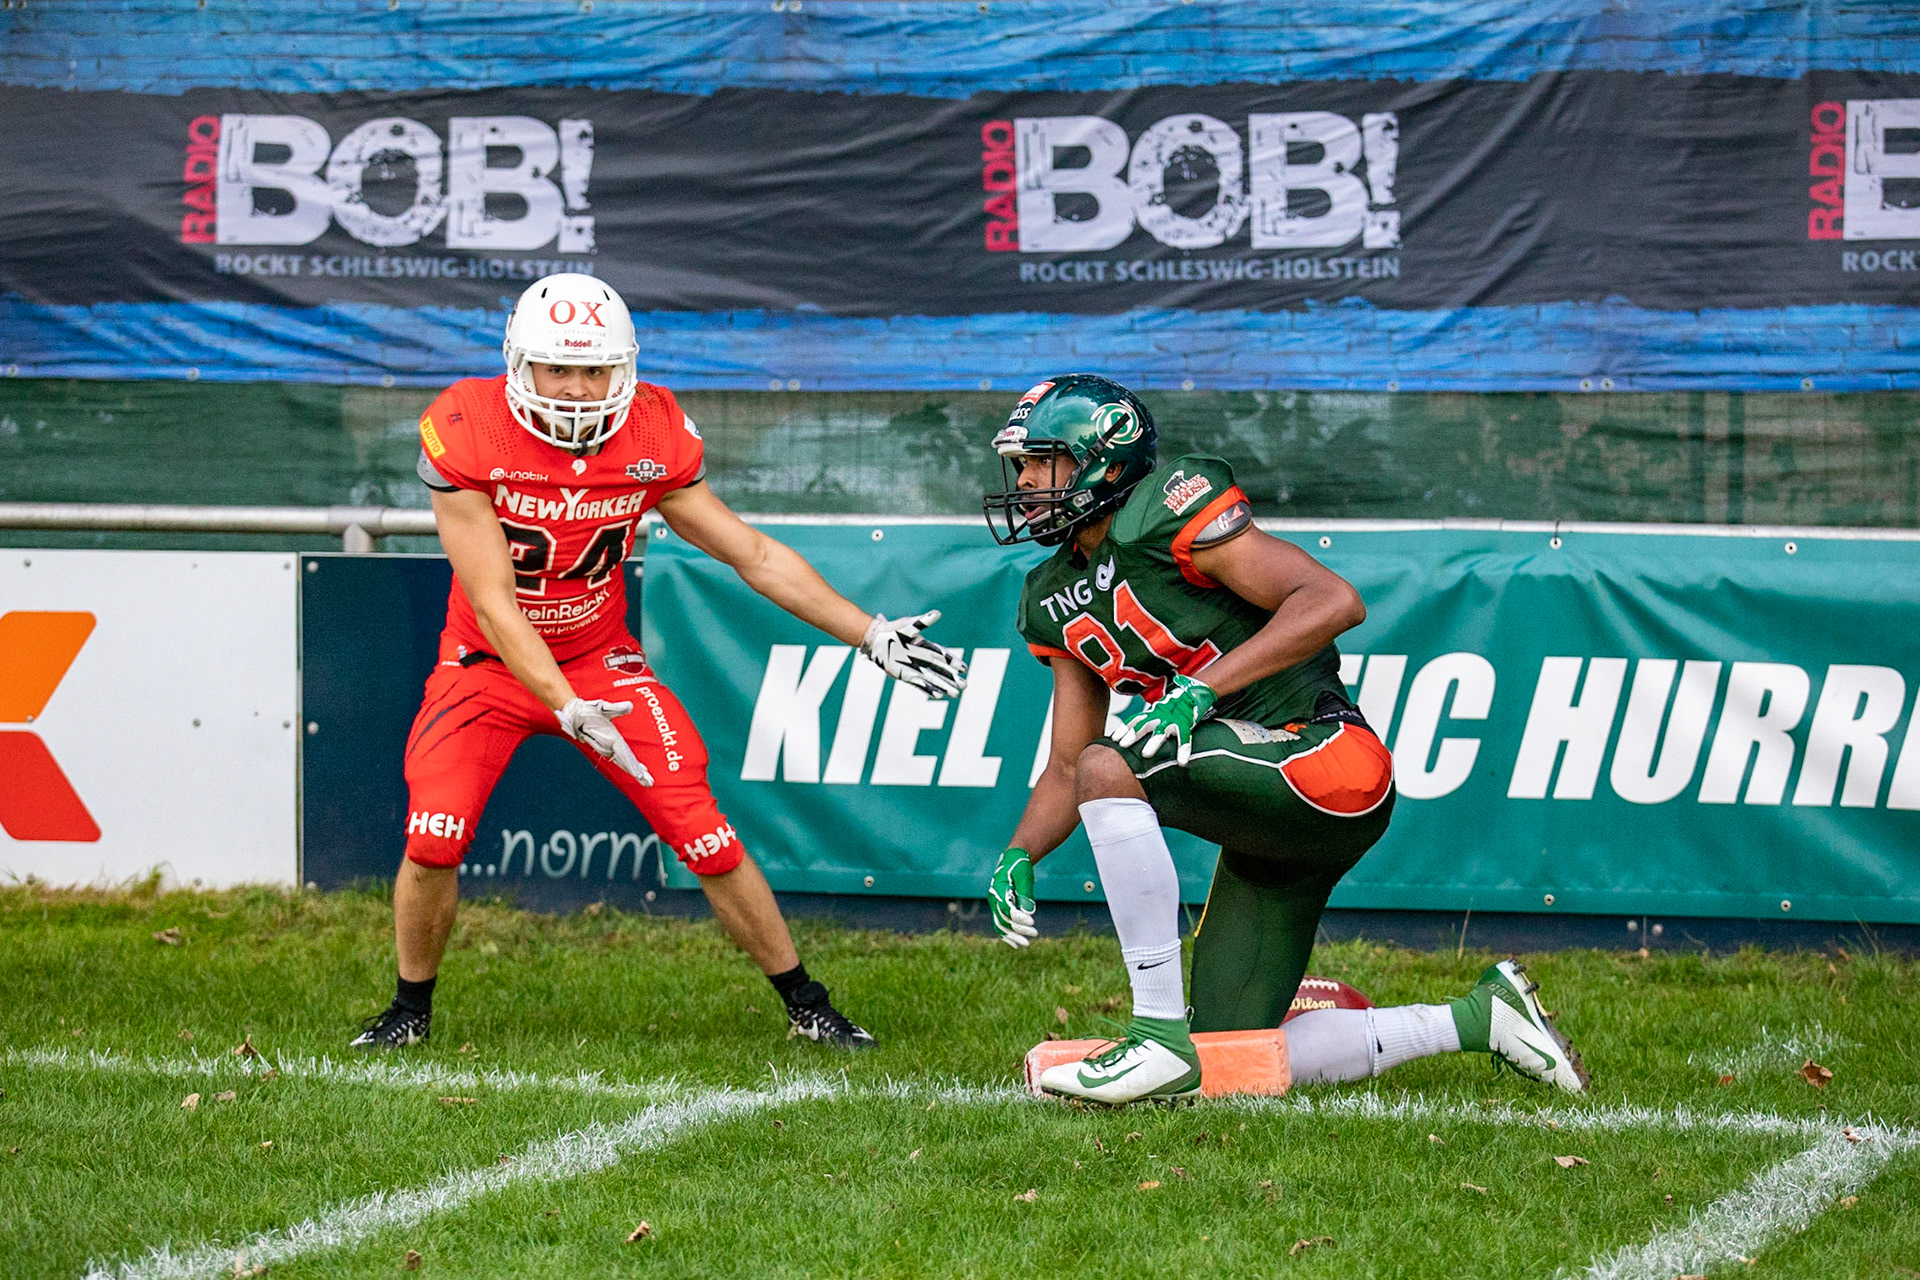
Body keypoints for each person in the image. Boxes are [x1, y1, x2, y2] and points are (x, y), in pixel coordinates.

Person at [350, 273, 966, 1052]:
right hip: (487, 662)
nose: (577, 389)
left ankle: (807, 1004)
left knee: (703, 832)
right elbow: (496, 602)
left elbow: (751, 552)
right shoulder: (470, 426)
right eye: (557, 368)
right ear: (519, 363)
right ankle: (409, 1010)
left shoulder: (651, 432)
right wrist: (564, 705)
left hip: (600, 661)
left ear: (626, 368)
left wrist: (868, 633)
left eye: (595, 369)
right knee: (434, 835)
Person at [980, 374, 1588, 1104]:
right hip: (1265, 814)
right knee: (1224, 1055)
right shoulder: (1051, 594)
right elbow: (1067, 766)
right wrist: (1019, 852)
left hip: (1328, 759)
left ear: (1103, 461)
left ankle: (1154, 1036)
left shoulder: (1164, 512)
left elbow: (1333, 600)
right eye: (1020, 465)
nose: (1024, 481)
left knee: (1118, 760)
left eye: (1040, 461)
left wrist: (1202, 689)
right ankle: (1480, 1018)